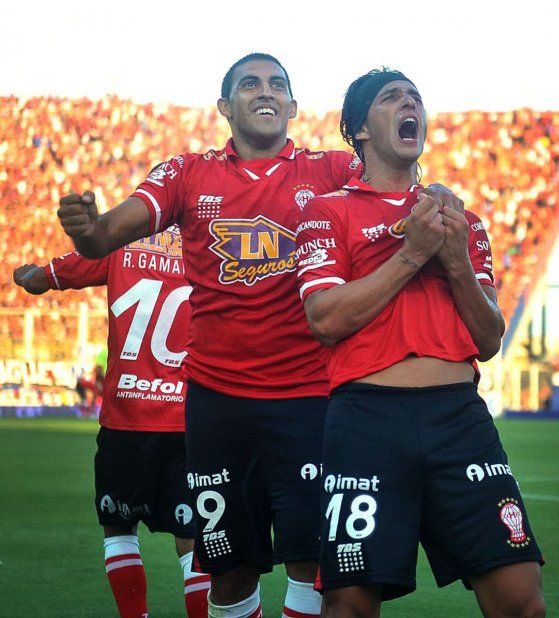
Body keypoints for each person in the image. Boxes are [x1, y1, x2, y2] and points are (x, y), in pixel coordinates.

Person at [56, 52, 461, 618]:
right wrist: (86, 229)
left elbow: (400, 183)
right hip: (218, 404)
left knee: (311, 563)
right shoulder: (185, 173)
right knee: (227, 572)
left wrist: (437, 189)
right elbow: (103, 239)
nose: (265, 91)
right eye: (250, 83)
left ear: (294, 106)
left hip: (310, 401)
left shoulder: (332, 172)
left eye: (277, 84)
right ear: (226, 106)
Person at [295, 68, 545, 617]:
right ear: (360, 129)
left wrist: (454, 262)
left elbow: (488, 339)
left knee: (523, 604)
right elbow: (325, 318)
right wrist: (410, 255)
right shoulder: (327, 212)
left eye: (416, 98)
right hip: (367, 420)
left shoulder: (463, 222)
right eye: (392, 98)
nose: (410, 105)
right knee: (349, 607)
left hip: (459, 420)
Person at [12, 225, 210, 618]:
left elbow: (46, 277)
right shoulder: (208, 250)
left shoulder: (120, 246)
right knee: (193, 540)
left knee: (119, 532)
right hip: (187, 420)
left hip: (126, 419)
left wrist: (28, 274)